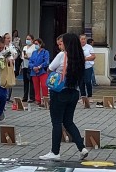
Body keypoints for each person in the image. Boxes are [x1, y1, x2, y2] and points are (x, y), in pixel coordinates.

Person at [39, 33, 90, 161]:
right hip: (74, 92)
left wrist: (58, 73)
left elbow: (50, 68)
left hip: (59, 92)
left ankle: (55, 152)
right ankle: (82, 147)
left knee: (57, 122)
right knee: (68, 121)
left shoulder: (63, 55)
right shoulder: (80, 57)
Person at [28, 38, 50, 106]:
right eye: (35, 44)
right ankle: (37, 100)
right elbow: (30, 62)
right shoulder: (34, 52)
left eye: (37, 44)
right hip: (34, 72)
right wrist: (33, 67)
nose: (35, 45)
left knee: (44, 85)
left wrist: (39, 67)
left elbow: (46, 62)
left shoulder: (45, 52)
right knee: (36, 86)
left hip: (42, 71)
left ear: (40, 44)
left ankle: (45, 99)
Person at [79, 34, 95, 103]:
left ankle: (90, 96)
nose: (83, 40)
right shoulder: (77, 47)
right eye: (82, 39)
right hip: (79, 67)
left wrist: (86, 59)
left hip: (88, 66)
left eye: (84, 39)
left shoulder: (89, 47)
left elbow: (93, 56)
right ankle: (83, 96)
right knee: (81, 82)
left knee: (88, 81)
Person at [21, 33, 36, 102]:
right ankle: (25, 96)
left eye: (29, 39)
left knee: (31, 82)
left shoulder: (34, 47)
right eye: (27, 39)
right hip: (25, 65)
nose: (27, 40)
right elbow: (22, 56)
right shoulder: (24, 47)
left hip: (31, 66)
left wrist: (29, 57)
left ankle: (32, 97)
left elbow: (34, 57)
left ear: (32, 40)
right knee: (25, 81)